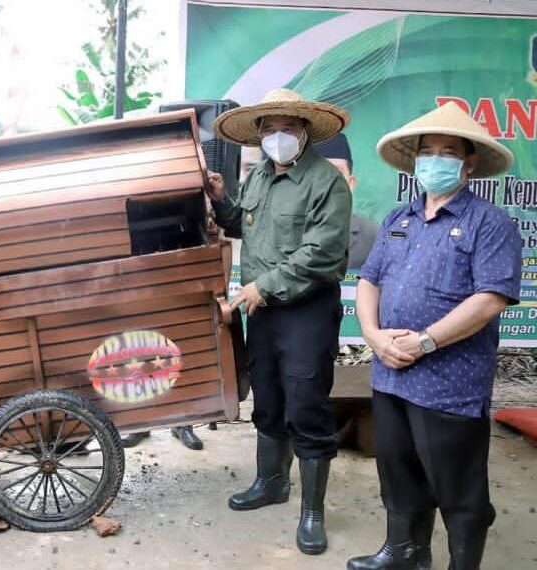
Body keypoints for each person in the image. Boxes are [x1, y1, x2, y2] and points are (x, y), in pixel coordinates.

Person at [348, 102, 521, 570]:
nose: (435, 160)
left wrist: (424, 342)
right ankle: (404, 552)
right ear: (416, 161)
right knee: (398, 471)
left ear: (468, 164)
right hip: (390, 373)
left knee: (458, 486)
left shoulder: (491, 223)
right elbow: (369, 280)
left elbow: (490, 298)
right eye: (427, 151)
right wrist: (372, 335)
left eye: (448, 151)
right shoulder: (397, 219)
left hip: (450, 383)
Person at [207, 88, 352, 555]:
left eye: (286, 128)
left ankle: (312, 512)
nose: (276, 136)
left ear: (305, 131)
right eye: (268, 129)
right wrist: (221, 199)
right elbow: (241, 225)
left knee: (306, 405)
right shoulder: (259, 179)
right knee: (267, 398)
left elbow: (322, 253)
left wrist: (263, 287)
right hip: (262, 311)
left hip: (306, 310)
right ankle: (271, 483)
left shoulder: (326, 182)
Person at [313, 133, 379, 269]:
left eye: (336, 172)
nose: (328, 180)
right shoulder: (284, 231)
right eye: (320, 172)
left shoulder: (374, 236)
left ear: (351, 183)